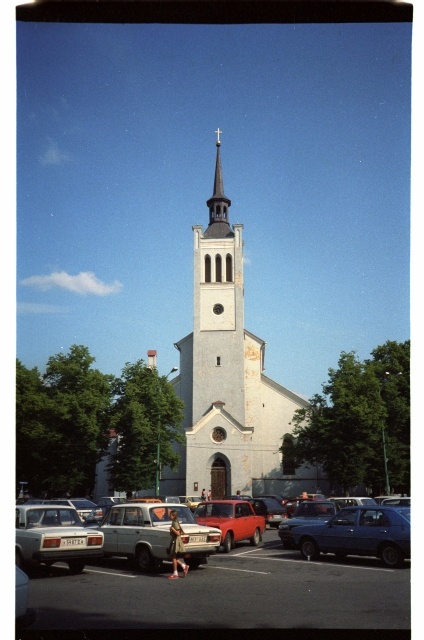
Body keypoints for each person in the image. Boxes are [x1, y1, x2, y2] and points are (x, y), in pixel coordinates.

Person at [167, 510, 189, 579]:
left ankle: (175, 573)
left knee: (173, 556)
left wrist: (172, 529)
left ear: (173, 516)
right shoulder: (174, 522)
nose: (169, 516)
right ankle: (184, 566)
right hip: (174, 540)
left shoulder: (175, 523)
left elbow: (178, 533)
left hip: (176, 540)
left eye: (170, 515)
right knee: (173, 556)